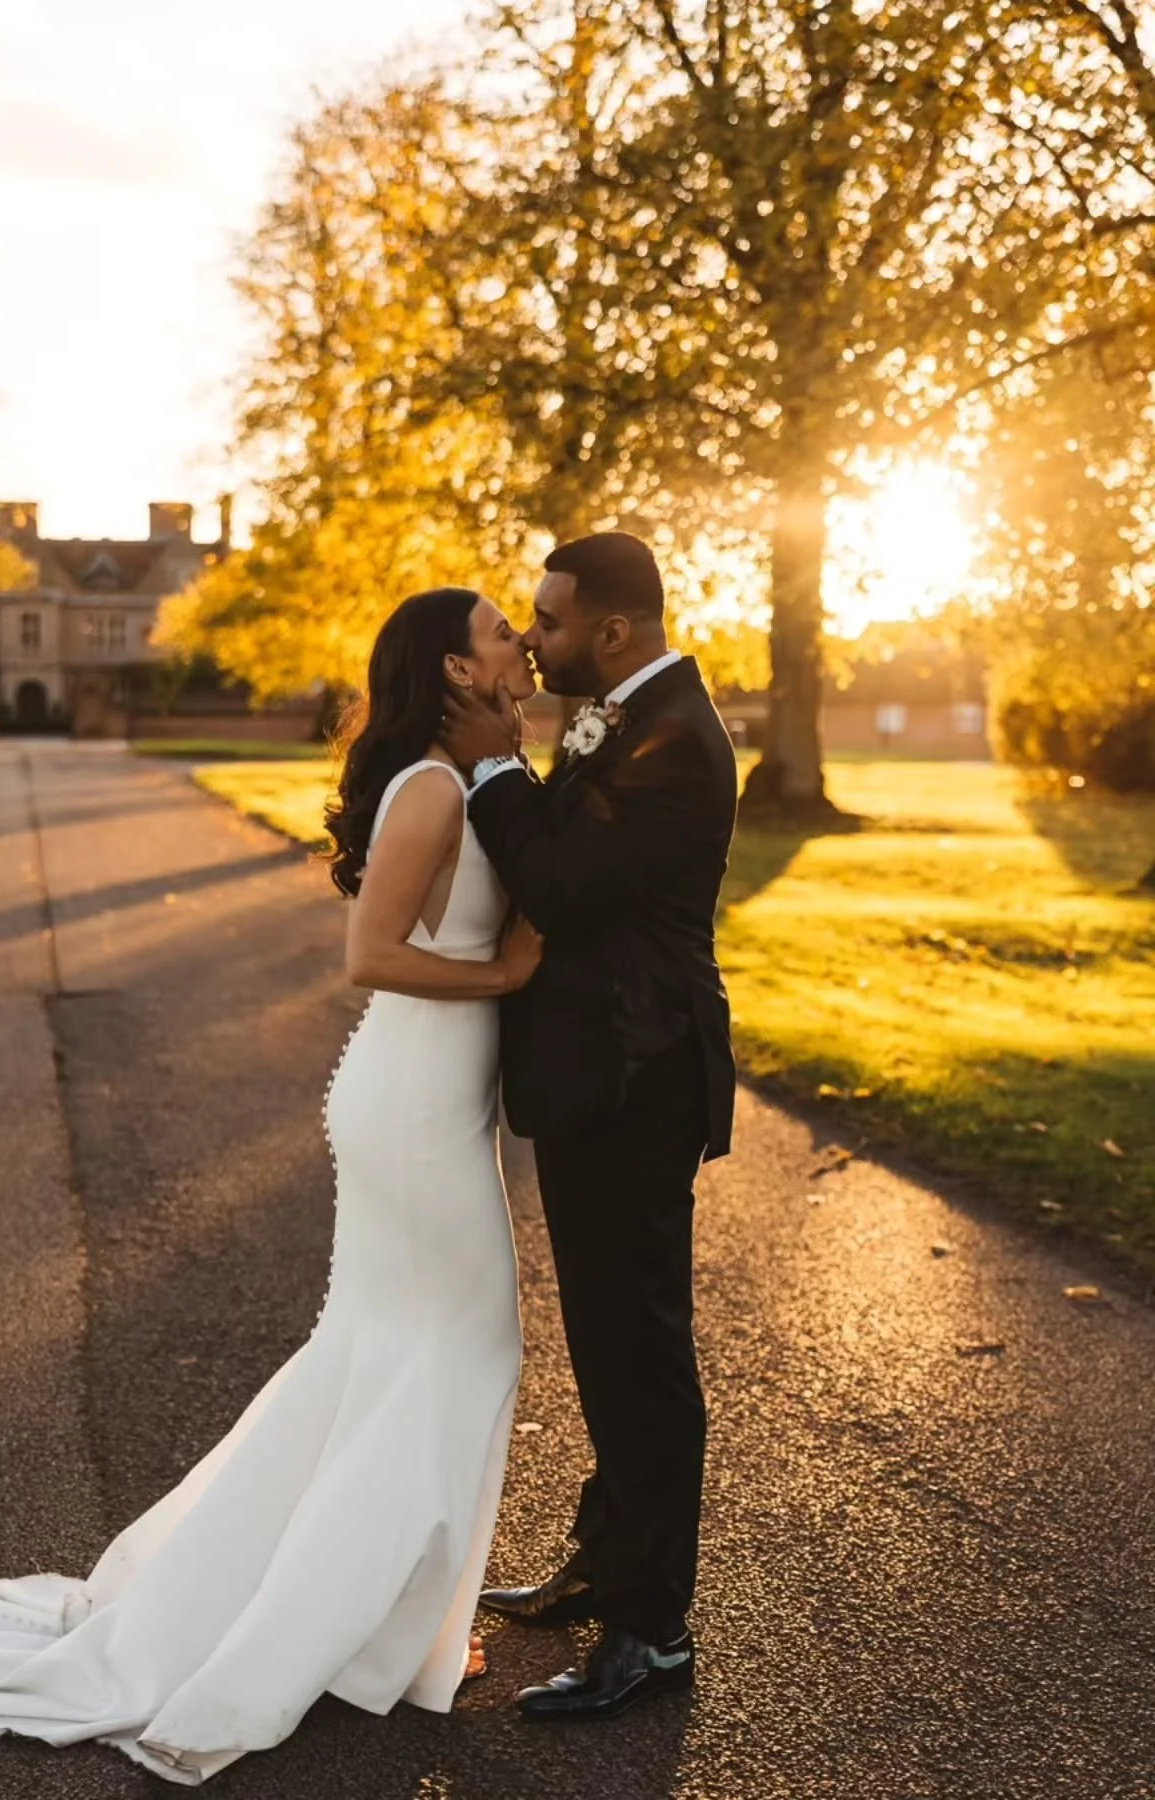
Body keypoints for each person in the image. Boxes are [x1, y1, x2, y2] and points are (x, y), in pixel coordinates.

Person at [0, 587, 542, 1786]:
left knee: (378, 1361)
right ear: (453, 670)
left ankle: (386, 1626)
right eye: (501, 634)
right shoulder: (430, 787)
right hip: (412, 1100)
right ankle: (338, 1632)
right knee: (465, 1352)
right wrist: (515, 974)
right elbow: (369, 954)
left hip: (434, 1097)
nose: (522, 646)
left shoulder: (469, 778)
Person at [443, 530, 738, 1723]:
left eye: (549, 622)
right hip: (600, 1075)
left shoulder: (676, 743)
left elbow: (561, 885)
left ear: (611, 632)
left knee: (641, 1353)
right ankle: (602, 1564)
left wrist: (494, 768)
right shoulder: (625, 712)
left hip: (638, 1076)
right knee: (609, 1339)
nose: (534, 635)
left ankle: (652, 1628)